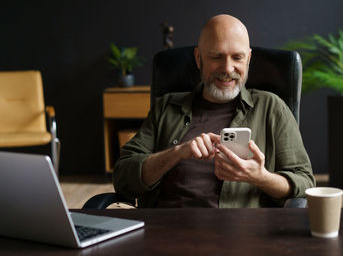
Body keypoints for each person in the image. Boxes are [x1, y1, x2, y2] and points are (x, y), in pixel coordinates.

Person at [113, 14, 315, 208]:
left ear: (248, 59)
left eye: (237, 57)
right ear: (199, 58)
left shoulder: (272, 108)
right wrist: (177, 153)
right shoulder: (166, 107)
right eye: (216, 57)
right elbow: (123, 177)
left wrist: (261, 177)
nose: (227, 68)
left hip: (239, 236)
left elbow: (305, 184)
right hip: (166, 231)